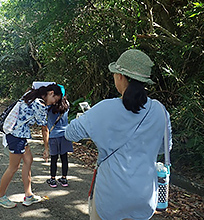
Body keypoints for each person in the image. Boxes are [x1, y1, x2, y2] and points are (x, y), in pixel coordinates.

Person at [65, 49, 172, 220]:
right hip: (144, 196)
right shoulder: (160, 110)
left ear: (120, 76)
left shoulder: (105, 108)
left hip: (110, 196)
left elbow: (71, 133)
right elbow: (164, 148)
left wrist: (94, 124)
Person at [0, 83, 64, 209]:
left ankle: (29, 195)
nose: (53, 103)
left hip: (19, 134)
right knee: (13, 167)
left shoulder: (30, 95)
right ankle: (0, 197)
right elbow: (44, 129)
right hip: (16, 136)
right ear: (51, 93)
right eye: (55, 100)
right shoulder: (39, 104)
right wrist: (46, 149)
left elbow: (35, 85)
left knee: (28, 160)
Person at [43, 96, 73, 188]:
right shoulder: (66, 104)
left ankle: (52, 179)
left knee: (54, 159)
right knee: (64, 158)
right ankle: (64, 178)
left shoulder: (50, 107)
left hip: (53, 135)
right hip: (65, 135)